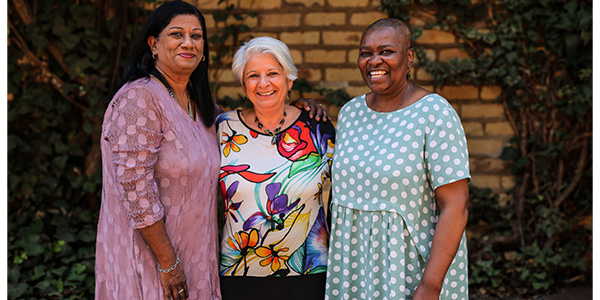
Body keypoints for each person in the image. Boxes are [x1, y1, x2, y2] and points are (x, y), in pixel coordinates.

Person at [325, 18, 470, 300]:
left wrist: (430, 286)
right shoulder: (350, 113)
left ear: (410, 57)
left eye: (386, 51)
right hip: (352, 270)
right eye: (365, 53)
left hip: (410, 272)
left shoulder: (434, 113)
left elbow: (456, 205)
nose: (373, 60)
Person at [216, 36, 335, 300]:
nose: (263, 83)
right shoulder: (223, 128)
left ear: (289, 79)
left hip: (308, 274)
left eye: (273, 73)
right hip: (237, 272)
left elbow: (343, 196)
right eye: (253, 75)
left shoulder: (318, 128)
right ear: (243, 84)